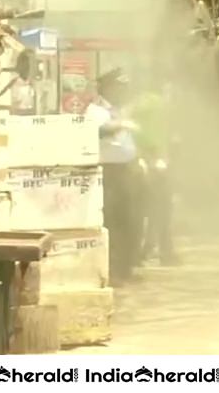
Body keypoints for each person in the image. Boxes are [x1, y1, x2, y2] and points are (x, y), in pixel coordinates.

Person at [86, 68, 142, 285]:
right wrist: (119, 124)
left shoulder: (120, 109)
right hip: (109, 172)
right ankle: (113, 271)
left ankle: (126, 268)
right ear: (108, 88)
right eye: (119, 87)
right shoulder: (95, 110)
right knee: (113, 221)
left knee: (131, 220)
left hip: (127, 169)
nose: (123, 91)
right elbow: (98, 131)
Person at [130, 84, 181, 266]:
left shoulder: (137, 104)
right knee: (162, 207)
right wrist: (161, 156)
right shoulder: (158, 106)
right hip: (156, 162)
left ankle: (143, 250)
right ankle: (164, 252)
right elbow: (159, 137)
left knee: (144, 209)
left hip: (139, 161)